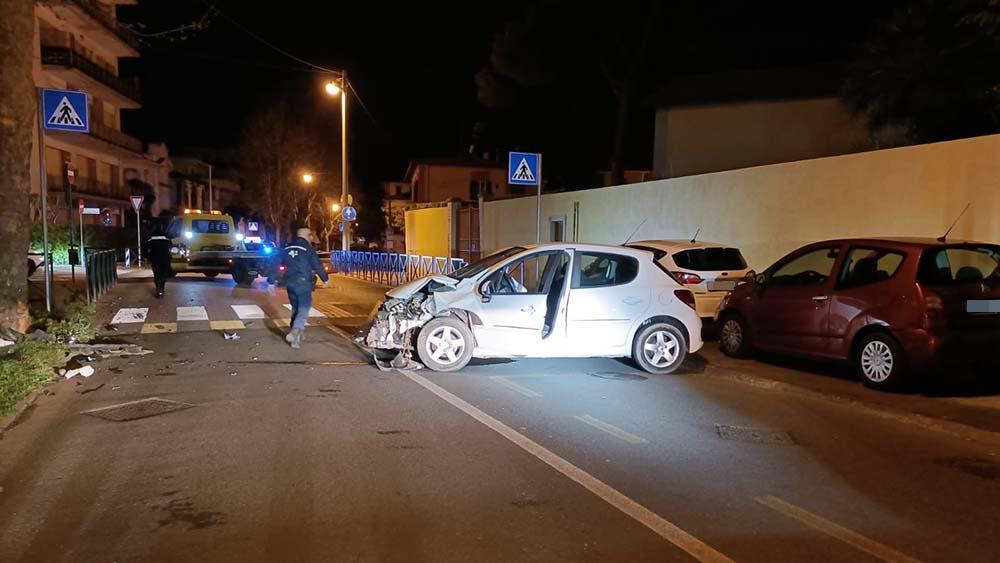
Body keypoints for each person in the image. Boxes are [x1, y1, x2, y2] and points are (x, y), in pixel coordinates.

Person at [280, 227, 329, 349]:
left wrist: (272, 280)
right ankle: (295, 331)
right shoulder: (308, 249)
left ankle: (296, 337)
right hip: (303, 282)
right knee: (304, 307)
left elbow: (276, 263)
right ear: (306, 235)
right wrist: (325, 279)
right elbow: (317, 264)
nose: (311, 238)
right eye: (310, 235)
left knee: (295, 307)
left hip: (289, 282)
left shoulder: (287, 248)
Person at [147, 227, 173, 298]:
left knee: (156, 274)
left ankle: (159, 289)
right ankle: (162, 288)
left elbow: (147, 246)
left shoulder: (150, 237)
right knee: (163, 274)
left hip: (155, 258)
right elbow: (170, 245)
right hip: (165, 258)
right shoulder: (166, 236)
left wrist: (147, 257)